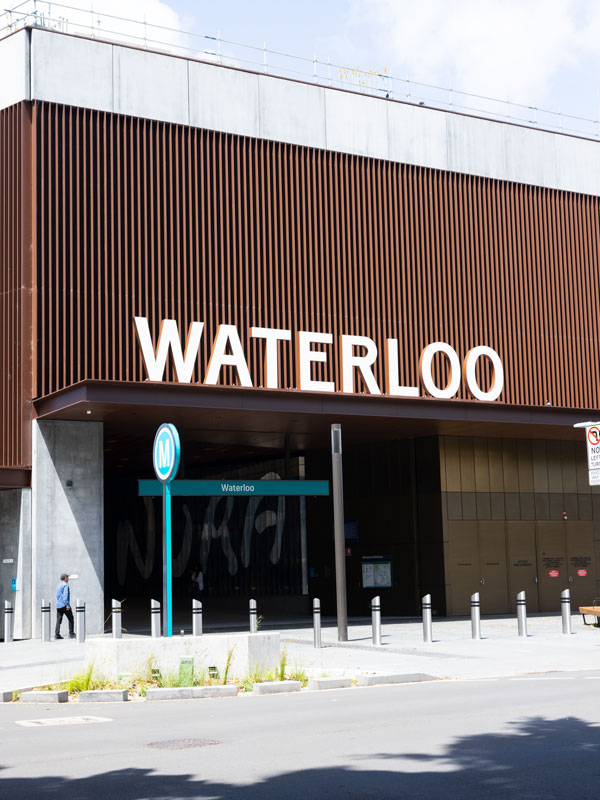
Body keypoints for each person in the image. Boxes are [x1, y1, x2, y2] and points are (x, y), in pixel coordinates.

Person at [55, 573, 75, 639]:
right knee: (71, 618)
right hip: (64, 605)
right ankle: (71, 633)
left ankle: (57, 634)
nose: (68, 578)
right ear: (65, 578)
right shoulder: (65, 585)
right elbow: (65, 596)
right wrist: (67, 605)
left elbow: (58, 596)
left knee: (58, 620)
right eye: (67, 577)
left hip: (58, 605)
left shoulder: (58, 585)